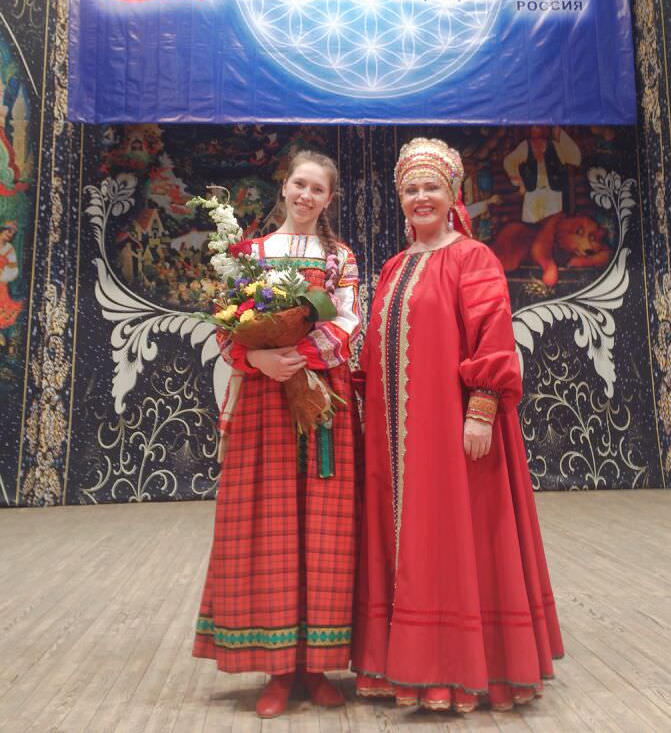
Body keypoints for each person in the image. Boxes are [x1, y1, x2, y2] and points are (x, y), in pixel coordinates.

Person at [352, 137, 563, 713]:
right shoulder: (394, 266)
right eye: (410, 189)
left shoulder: (473, 258)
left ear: (453, 195)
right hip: (394, 440)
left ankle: (459, 669)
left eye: (431, 187)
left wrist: (482, 408)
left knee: (454, 537)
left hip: (452, 429)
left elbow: (493, 334)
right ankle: (402, 665)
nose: (421, 197)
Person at [193, 151, 362, 719]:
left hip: (321, 397)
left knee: (323, 525)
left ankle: (317, 667)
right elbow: (226, 324)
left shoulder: (341, 258)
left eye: (318, 189)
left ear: (329, 199)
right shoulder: (249, 254)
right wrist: (258, 358)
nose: (306, 196)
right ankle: (277, 668)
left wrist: (299, 358)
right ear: (284, 186)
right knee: (269, 524)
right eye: (299, 184)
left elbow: (347, 320)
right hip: (263, 398)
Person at [503, 125, 581, 223]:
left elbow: (576, 158)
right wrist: (519, 182)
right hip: (532, 194)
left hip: (553, 195)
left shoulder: (555, 145)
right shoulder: (525, 146)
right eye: (532, 127)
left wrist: (560, 135)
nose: (534, 129)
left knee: (552, 225)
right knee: (531, 227)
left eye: (537, 127)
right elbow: (509, 162)